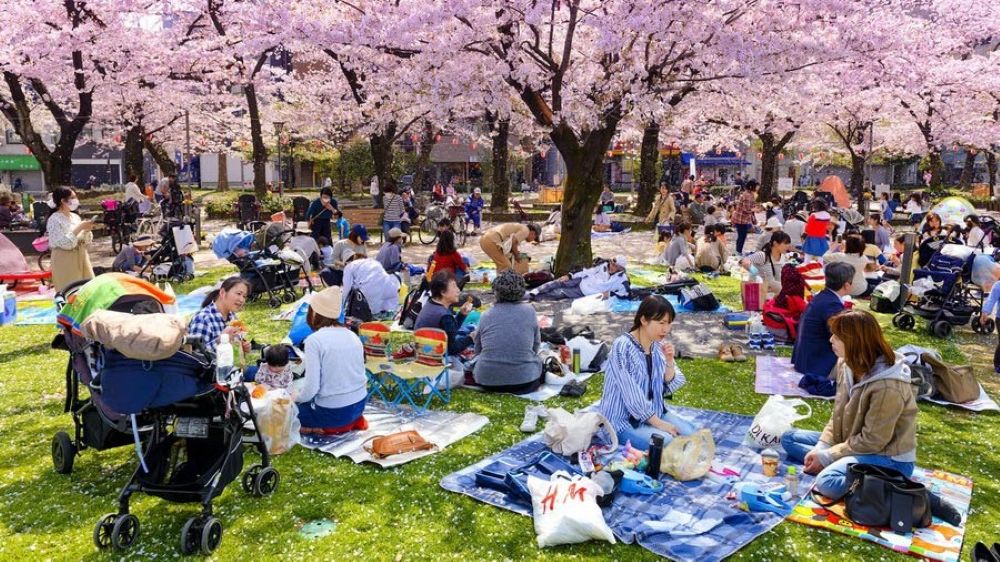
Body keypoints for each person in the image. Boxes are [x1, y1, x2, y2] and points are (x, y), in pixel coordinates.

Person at [781, 310, 917, 501]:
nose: (830, 340)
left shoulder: (889, 386)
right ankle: (843, 466)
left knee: (826, 482)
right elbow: (837, 413)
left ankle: (891, 486)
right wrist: (822, 448)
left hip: (887, 457)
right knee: (788, 438)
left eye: (837, 336)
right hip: (852, 441)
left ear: (855, 342)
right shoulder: (846, 364)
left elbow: (873, 441)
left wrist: (828, 456)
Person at [598, 296, 696, 450]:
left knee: (693, 435)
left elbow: (671, 384)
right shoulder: (622, 347)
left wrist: (669, 361)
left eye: (669, 323)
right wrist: (659, 424)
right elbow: (631, 393)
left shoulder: (658, 345)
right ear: (643, 320)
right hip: (623, 421)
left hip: (654, 412)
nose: (666, 329)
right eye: (661, 323)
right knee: (668, 443)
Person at [297, 286, 368, 434]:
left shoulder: (314, 340)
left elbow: (311, 389)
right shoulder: (352, 335)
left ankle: (319, 428)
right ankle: (343, 424)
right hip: (359, 406)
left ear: (315, 312)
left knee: (289, 408)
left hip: (334, 413)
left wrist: (295, 397)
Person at [473, 271, 543, 394]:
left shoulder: (486, 315)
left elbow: (478, 349)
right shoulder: (529, 311)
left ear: (496, 292)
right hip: (525, 380)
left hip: (487, 380)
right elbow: (535, 345)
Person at [791, 262, 855, 397]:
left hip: (805, 359)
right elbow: (844, 337)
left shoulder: (823, 297)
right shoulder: (831, 304)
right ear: (847, 285)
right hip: (818, 363)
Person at [46, 186, 96, 291]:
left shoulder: (75, 217)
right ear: (63, 201)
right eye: (72, 197)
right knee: (70, 292)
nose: (75, 200)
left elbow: (86, 242)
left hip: (81, 256)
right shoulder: (54, 219)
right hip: (65, 260)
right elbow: (65, 243)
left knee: (87, 290)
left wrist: (87, 230)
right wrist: (80, 227)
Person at [414, 270, 474, 355]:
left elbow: (450, 331)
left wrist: (461, 314)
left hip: (423, 352)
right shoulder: (444, 316)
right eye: (454, 287)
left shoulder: (430, 304)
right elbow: (452, 349)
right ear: (442, 292)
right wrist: (471, 338)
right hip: (436, 357)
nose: (458, 290)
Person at [187, 277, 253, 355]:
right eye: (238, 294)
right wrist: (220, 341)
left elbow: (236, 344)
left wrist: (243, 346)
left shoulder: (232, 316)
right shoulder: (203, 319)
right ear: (222, 293)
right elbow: (196, 355)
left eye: (244, 296)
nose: (241, 300)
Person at [528, 256, 630, 301]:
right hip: (582, 280)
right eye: (612, 263)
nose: (612, 267)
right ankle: (534, 292)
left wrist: (610, 294)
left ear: (621, 269)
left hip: (586, 291)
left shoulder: (622, 280)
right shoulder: (603, 264)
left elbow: (626, 294)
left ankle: (531, 298)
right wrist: (570, 275)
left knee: (558, 293)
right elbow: (586, 271)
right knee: (558, 282)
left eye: (616, 266)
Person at [731, 181, 758, 254]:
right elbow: (746, 209)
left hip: (743, 219)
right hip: (741, 219)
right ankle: (738, 251)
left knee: (742, 236)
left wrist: (754, 218)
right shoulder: (747, 196)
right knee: (742, 236)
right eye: (756, 186)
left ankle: (738, 250)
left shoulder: (749, 194)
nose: (758, 188)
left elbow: (751, 207)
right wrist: (755, 210)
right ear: (751, 187)